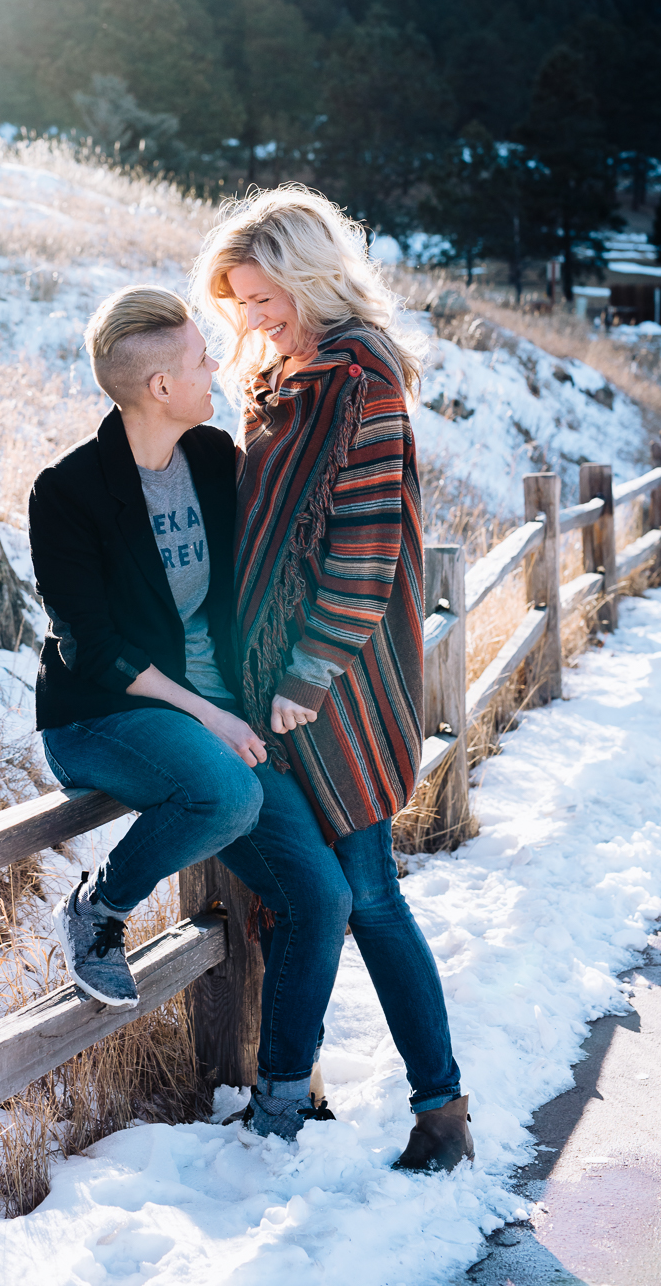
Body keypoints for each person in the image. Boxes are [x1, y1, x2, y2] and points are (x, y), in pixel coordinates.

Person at [190, 185, 474, 1173]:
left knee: (365, 892)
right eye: (242, 308)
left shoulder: (360, 383)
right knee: (318, 894)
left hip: (334, 686)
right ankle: (295, 1094)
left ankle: (439, 1108)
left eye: (266, 300)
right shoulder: (290, 378)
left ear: (309, 277)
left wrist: (308, 670)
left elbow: (362, 549)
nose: (254, 322)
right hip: (274, 682)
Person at [28, 285, 267, 1010]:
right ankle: (98, 909)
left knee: (309, 872)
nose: (216, 368)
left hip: (201, 705)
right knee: (227, 793)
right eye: (202, 359)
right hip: (98, 715)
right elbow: (94, 651)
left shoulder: (210, 455)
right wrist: (212, 718)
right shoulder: (68, 492)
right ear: (162, 386)